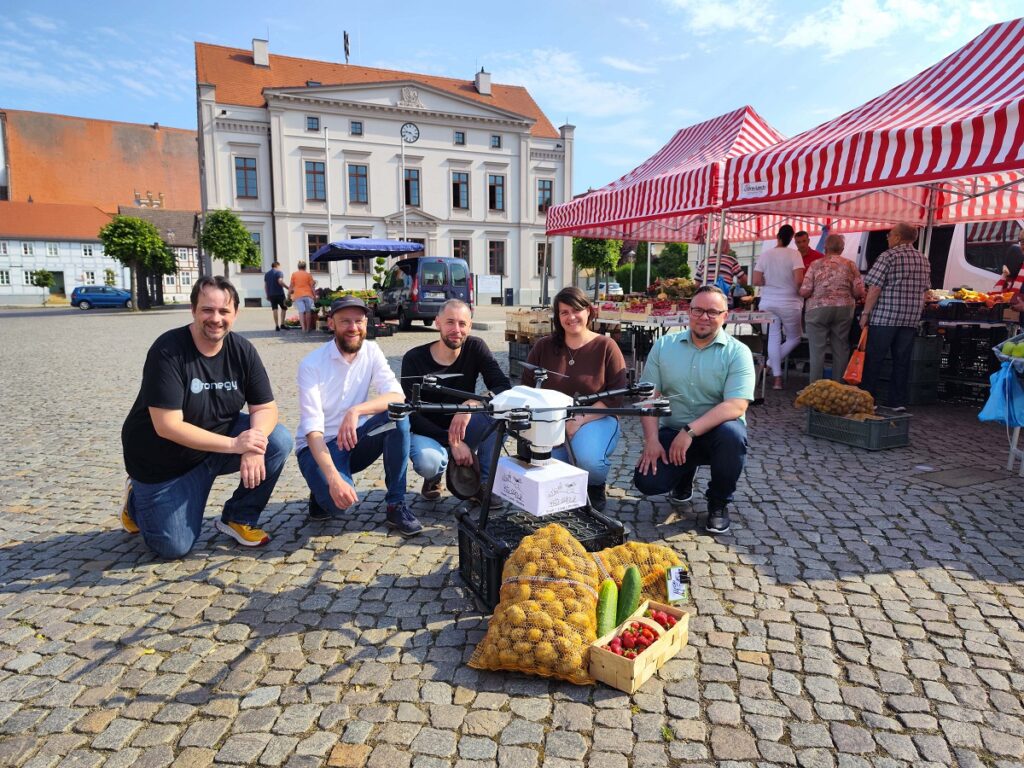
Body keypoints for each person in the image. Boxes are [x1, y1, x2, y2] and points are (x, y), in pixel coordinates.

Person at [119, 276, 293, 558]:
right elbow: (167, 426)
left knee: (278, 439)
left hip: (217, 443)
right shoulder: (168, 351)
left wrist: (254, 444)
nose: (216, 318)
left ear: (235, 313)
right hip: (165, 461)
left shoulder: (242, 350)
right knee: (173, 546)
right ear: (193, 310)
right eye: (207, 310)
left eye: (224, 311)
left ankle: (239, 517)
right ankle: (136, 501)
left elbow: (266, 408)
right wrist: (237, 445)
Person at [633, 286, 755, 535]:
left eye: (712, 312)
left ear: (725, 316)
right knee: (647, 482)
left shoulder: (738, 353)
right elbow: (648, 396)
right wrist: (652, 440)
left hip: (716, 435)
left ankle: (719, 503)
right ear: (688, 312)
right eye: (698, 310)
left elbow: (736, 404)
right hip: (674, 429)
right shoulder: (664, 346)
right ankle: (684, 474)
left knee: (733, 436)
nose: (704, 317)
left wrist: (689, 432)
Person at [295, 296, 421, 536]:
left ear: (366, 323)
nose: (353, 327)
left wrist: (356, 411)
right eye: (345, 321)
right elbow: (312, 432)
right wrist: (333, 479)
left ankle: (396, 504)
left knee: (399, 416)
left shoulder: (371, 351)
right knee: (336, 506)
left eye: (358, 321)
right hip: (318, 447)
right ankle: (320, 491)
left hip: (354, 439)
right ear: (331, 323)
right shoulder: (311, 364)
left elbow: (397, 395)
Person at [522, 286, 627, 511]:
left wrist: (580, 420)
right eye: (564, 312)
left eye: (576, 310)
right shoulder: (544, 346)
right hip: (552, 421)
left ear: (588, 311)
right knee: (548, 468)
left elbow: (617, 396)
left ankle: (595, 485)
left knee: (587, 460)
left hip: (596, 416)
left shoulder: (606, 346)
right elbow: (527, 387)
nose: (571, 317)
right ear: (557, 317)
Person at [401, 300, 511, 503]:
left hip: (465, 426)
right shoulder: (413, 358)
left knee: (501, 416)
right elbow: (412, 414)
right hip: (428, 430)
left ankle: (482, 484)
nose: (456, 330)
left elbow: (503, 387)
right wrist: (453, 442)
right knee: (429, 462)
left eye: (462, 323)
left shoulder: (475, 347)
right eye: (450, 322)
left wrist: (472, 403)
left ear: (470, 326)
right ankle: (433, 477)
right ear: (437, 323)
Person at [859, 222, 931, 410]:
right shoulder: (923, 259)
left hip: (886, 316)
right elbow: (925, 291)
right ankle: (897, 402)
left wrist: (865, 313)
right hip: (910, 318)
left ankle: (868, 399)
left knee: (875, 358)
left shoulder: (888, 256)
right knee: (902, 361)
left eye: (890, 234)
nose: (888, 237)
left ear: (898, 237)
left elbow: (874, 288)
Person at [799, 233, 866, 383]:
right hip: (844, 310)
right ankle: (838, 388)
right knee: (841, 348)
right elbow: (859, 291)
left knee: (817, 350)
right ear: (842, 249)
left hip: (817, 309)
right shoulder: (850, 265)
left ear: (825, 247)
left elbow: (805, 291)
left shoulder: (815, 264)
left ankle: (815, 390)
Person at [753, 224, 805, 390]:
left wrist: (769, 282)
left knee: (773, 337)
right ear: (792, 239)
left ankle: (776, 378)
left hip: (768, 301)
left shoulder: (765, 255)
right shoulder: (795, 254)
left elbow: (756, 280)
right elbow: (798, 280)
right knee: (795, 338)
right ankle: (769, 365)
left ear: (777, 236)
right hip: (790, 302)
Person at [289, 261, 317, 333]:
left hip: (298, 295)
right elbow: (312, 286)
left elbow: (291, 285)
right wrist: (315, 296)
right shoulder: (308, 275)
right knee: (308, 311)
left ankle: (303, 329)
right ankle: (308, 328)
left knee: (301, 312)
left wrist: (288, 295)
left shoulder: (294, 274)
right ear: (305, 267)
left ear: (298, 267)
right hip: (308, 295)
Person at [264, 260, 287, 331]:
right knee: (284, 308)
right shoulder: (279, 272)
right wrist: (288, 287)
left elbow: (265, 286)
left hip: (271, 294)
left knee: (274, 309)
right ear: (277, 266)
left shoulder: (267, 274)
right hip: (280, 294)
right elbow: (280, 281)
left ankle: (277, 326)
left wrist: (267, 295)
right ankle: (282, 324)